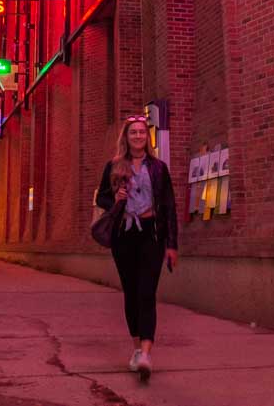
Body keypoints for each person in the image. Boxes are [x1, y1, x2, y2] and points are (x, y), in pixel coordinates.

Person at [96, 114, 179, 382]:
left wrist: (171, 245)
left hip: (151, 237)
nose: (138, 136)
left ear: (147, 136)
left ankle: (145, 353)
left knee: (146, 292)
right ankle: (135, 347)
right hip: (124, 237)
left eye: (142, 132)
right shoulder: (114, 166)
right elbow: (101, 198)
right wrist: (115, 199)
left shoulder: (158, 168)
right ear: (126, 137)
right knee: (131, 293)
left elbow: (168, 208)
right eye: (133, 132)